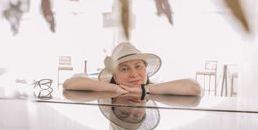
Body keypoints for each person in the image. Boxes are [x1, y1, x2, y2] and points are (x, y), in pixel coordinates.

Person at [63, 42, 201, 96]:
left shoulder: (155, 86)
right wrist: (114, 89)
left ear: (146, 69)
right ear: (115, 77)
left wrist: (143, 90)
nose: (134, 74)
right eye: (124, 69)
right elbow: (69, 83)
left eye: (138, 66)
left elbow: (193, 88)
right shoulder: (106, 86)